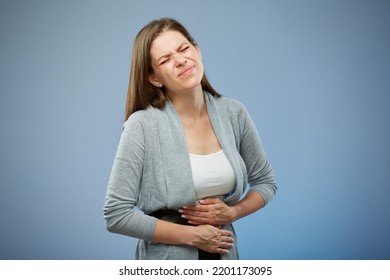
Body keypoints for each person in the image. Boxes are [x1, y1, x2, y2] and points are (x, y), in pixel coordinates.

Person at [103, 18, 276, 260]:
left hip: (225, 256)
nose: (180, 60)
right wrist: (193, 237)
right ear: (154, 78)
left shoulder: (234, 113)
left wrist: (232, 213)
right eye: (165, 59)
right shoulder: (142, 126)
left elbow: (266, 182)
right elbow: (116, 214)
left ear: (197, 49)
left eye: (183, 49)